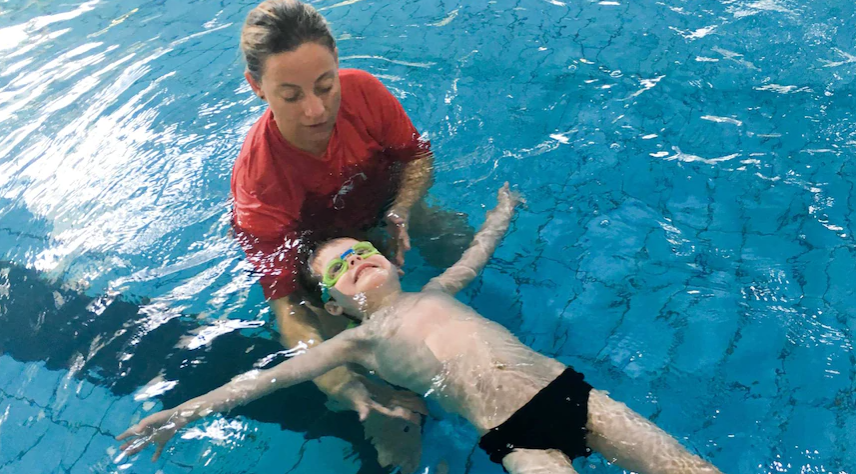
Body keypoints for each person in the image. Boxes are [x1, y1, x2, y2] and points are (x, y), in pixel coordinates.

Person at [118, 184, 723, 474]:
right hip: (514, 438)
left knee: (686, 468)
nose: (357, 262)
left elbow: (477, 255)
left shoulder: (437, 288)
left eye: (359, 251)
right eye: (341, 270)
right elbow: (262, 382)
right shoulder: (355, 342)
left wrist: (501, 214)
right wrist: (184, 412)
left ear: (390, 257)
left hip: (570, 394)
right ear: (335, 307)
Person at [230, 1, 470, 469]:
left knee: (456, 244)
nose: (317, 110)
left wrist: (403, 209)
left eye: (325, 85)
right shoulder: (259, 185)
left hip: (381, 205)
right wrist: (342, 382)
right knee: (376, 388)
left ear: (339, 64)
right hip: (318, 253)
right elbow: (289, 308)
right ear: (256, 88)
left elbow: (416, 160)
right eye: (292, 95)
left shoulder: (364, 93)